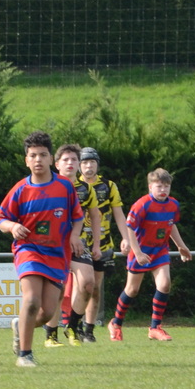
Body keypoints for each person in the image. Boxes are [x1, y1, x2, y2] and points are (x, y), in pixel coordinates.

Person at [0, 132, 85, 367]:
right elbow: (0, 218)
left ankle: (20, 326)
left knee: (46, 313)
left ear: (50, 159)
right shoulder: (20, 189)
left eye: (43, 155)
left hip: (57, 254)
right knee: (32, 300)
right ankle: (25, 355)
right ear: (26, 160)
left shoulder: (65, 186)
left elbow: (77, 217)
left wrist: (75, 236)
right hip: (29, 250)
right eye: (33, 155)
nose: (38, 160)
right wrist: (13, 226)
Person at [109, 168, 189, 341]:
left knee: (165, 285)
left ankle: (155, 328)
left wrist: (181, 246)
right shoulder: (142, 204)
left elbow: (171, 225)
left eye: (166, 186)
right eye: (159, 186)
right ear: (150, 187)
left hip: (160, 250)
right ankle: (116, 323)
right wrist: (137, 253)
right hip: (141, 250)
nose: (163, 190)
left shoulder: (173, 205)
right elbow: (130, 228)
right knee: (132, 290)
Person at [42, 143, 100, 348]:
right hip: (53, 246)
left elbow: (95, 216)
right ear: (57, 164)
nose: (70, 163)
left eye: (74, 159)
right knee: (56, 290)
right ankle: (51, 335)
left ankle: (73, 327)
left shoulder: (86, 189)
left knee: (88, 284)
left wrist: (97, 245)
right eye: (65, 160)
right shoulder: (48, 185)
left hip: (77, 244)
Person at [73, 147, 127, 343]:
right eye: (85, 162)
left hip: (102, 244)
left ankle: (89, 329)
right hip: (78, 244)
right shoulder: (72, 186)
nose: (89, 166)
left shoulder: (108, 186)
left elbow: (119, 213)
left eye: (92, 162)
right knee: (80, 286)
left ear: (97, 165)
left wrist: (126, 238)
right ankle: (75, 326)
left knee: (95, 288)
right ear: (79, 166)